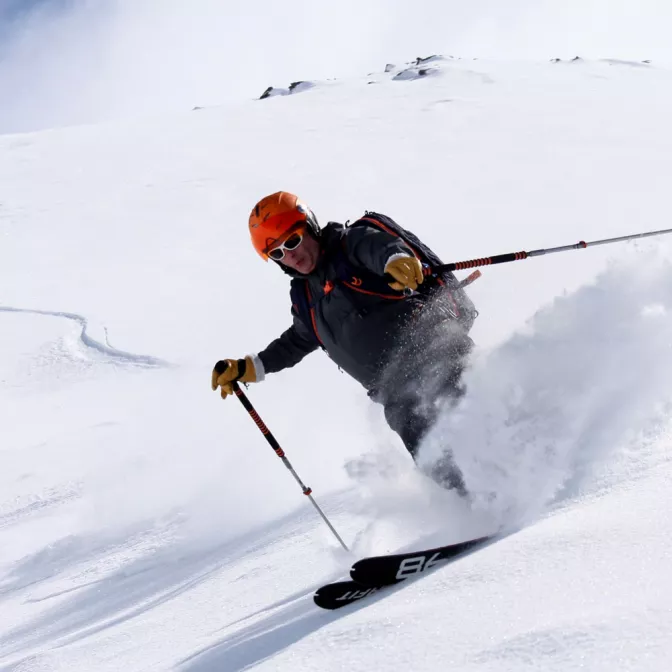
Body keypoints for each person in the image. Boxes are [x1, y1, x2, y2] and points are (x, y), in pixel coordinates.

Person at [211, 192, 476, 493]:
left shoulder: (350, 246)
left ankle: (525, 476)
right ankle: (487, 511)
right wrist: (252, 366)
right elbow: (298, 339)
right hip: (396, 394)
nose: (291, 255)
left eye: (293, 241)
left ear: (310, 227)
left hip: (435, 352)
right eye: (278, 253)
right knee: (436, 462)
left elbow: (379, 248)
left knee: (469, 422)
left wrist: (397, 259)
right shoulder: (305, 298)